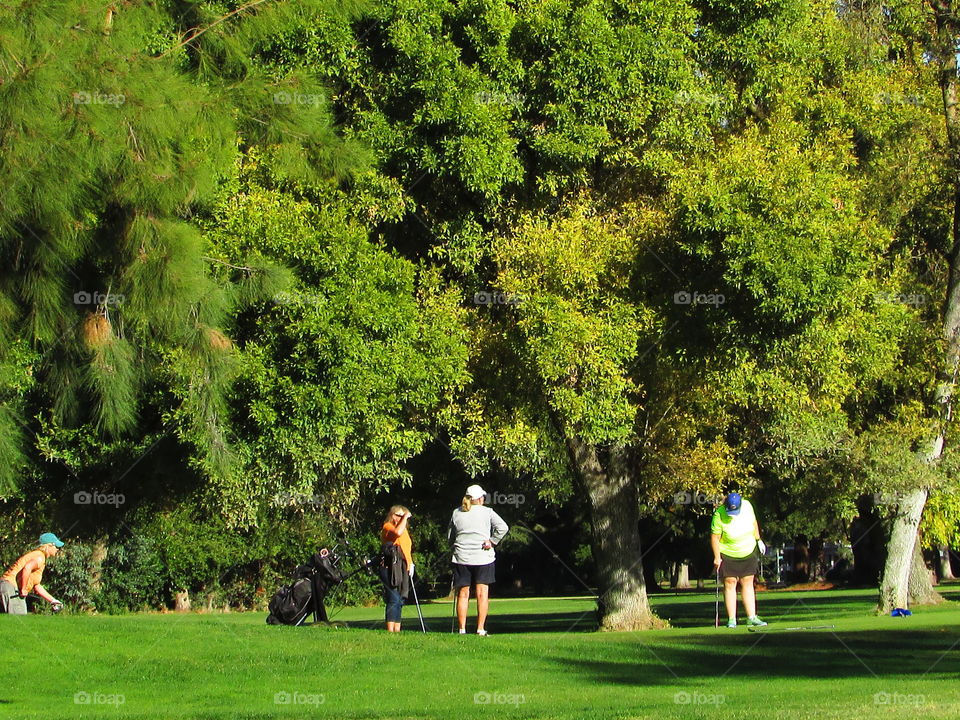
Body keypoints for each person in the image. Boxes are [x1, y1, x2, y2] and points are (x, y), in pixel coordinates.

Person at [448, 484, 509, 635]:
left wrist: (455, 546)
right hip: (483, 557)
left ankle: (462, 629)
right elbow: (503, 527)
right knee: (482, 594)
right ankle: (480, 629)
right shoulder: (487, 512)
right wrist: (492, 541)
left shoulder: (456, 512)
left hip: (461, 557)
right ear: (479, 499)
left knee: (463, 594)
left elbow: (450, 536)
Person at [711, 490, 766, 628]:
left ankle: (752, 617)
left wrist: (758, 540)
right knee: (730, 583)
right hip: (728, 553)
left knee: (748, 582)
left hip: (747, 550)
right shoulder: (719, 514)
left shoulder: (747, 506)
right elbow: (715, 538)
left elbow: (754, 523)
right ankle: (732, 619)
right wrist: (717, 557)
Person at [1, 533, 65, 615]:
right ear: (49, 545)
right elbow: (27, 568)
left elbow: (36, 585)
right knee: (19, 619)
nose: (57, 549)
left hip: (6, 586)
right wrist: (23, 589)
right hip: (11, 587)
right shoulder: (40, 557)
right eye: (56, 546)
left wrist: (53, 600)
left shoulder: (38, 556)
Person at [380, 505, 414, 632]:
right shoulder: (388, 527)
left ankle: (397, 630)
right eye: (398, 515)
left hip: (402, 567)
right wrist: (405, 516)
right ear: (392, 515)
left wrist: (410, 564)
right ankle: (390, 630)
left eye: (403, 516)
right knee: (393, 598)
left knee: (400, 599)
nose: (401, 519)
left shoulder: (404, 530)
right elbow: (397, 533)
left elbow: (406, 549)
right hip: (390, 567)